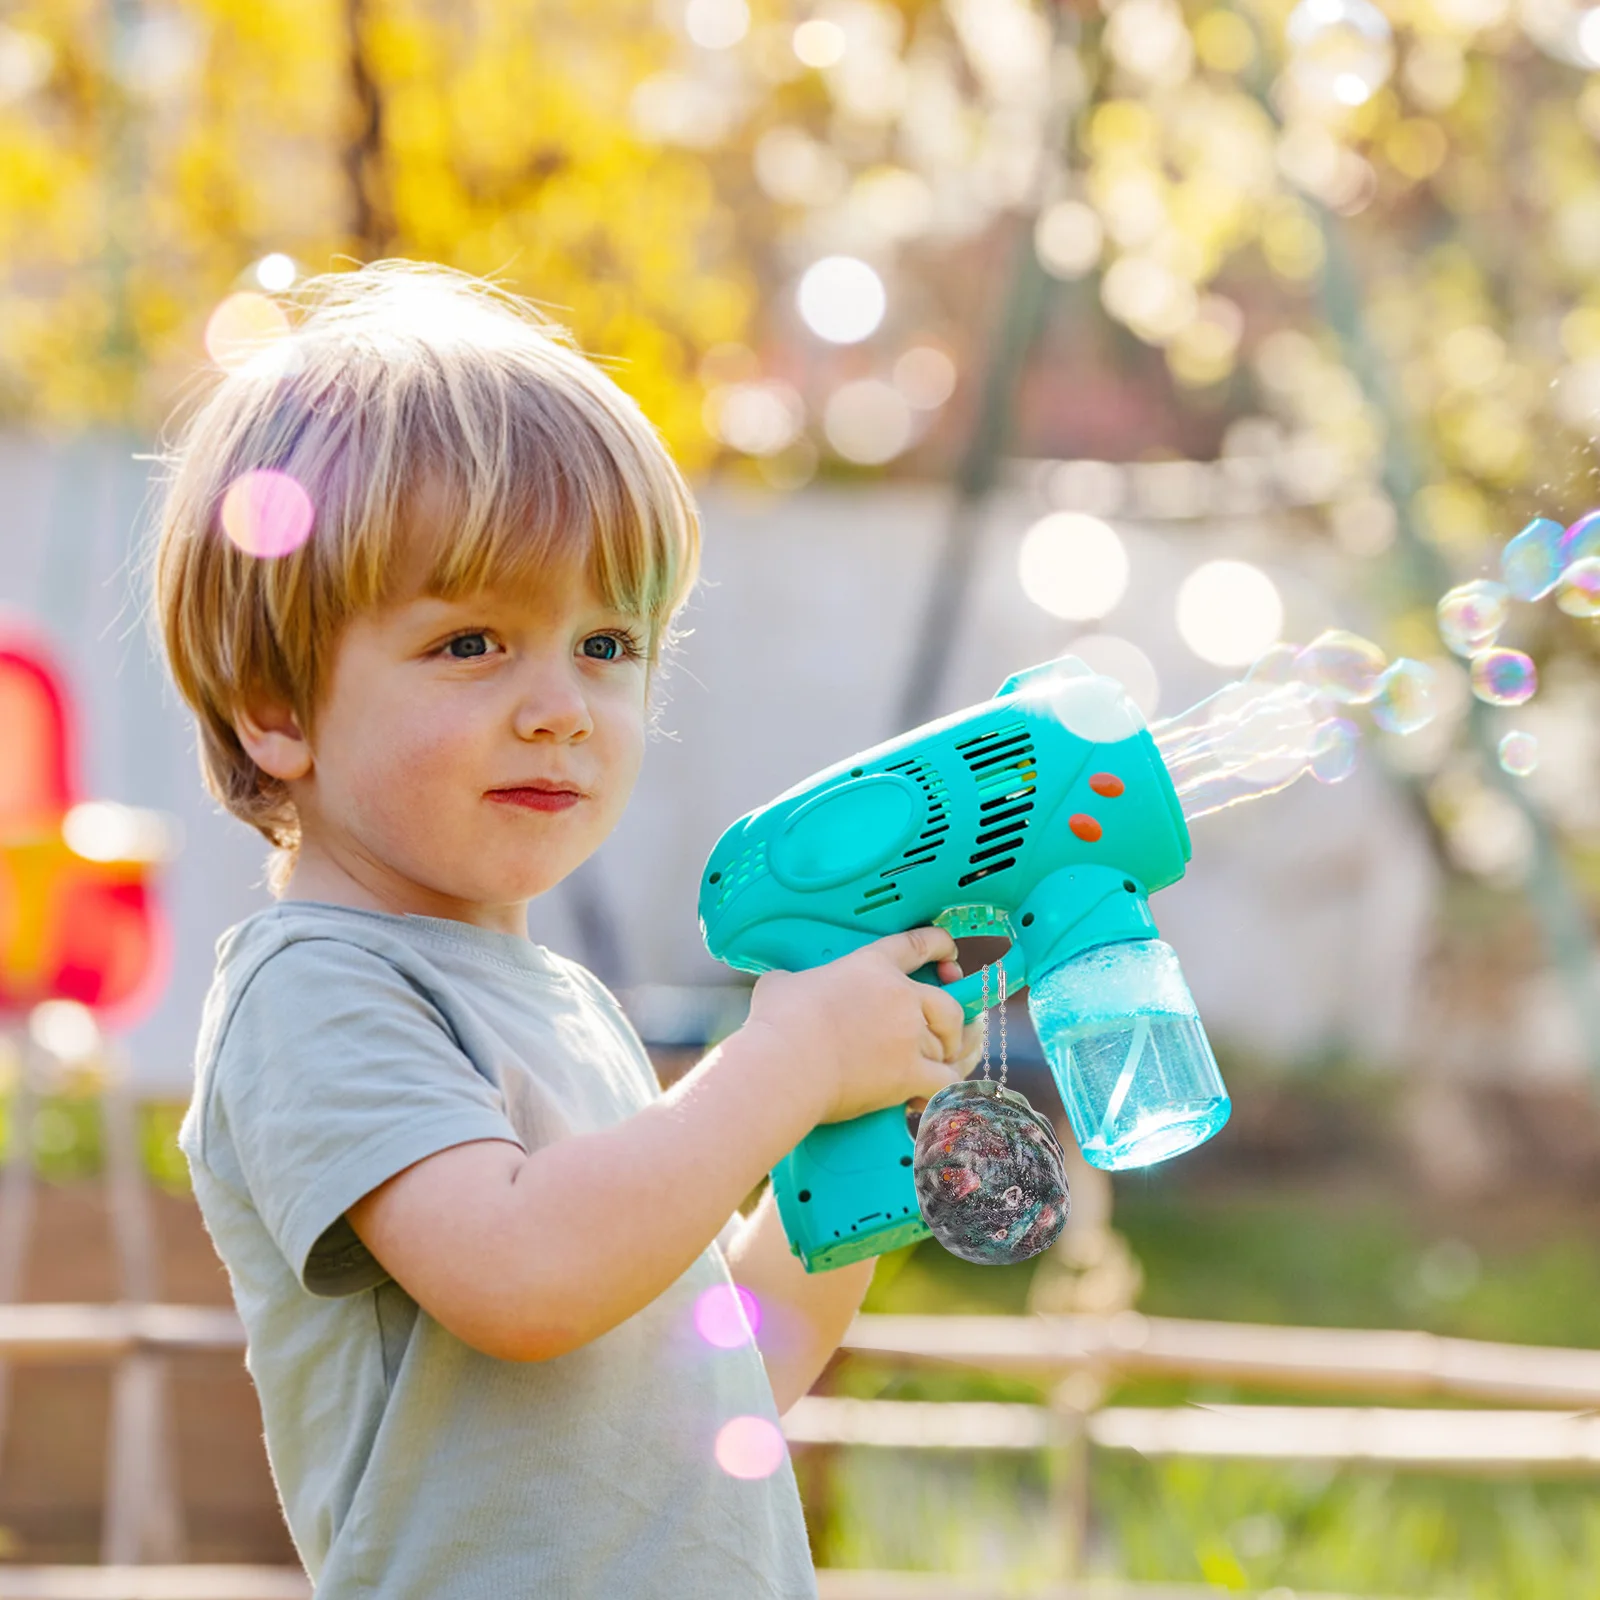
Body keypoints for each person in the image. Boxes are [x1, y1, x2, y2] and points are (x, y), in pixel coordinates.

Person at [150, 262, 979, 1599]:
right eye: (474, 643)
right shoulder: (315, 991)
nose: (561, 707)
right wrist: (784, 1067)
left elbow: (726, 1378)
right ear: (276, 707)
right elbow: (528, 1279)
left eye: (606, 643)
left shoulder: (563, 1007)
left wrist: (856, 1136)